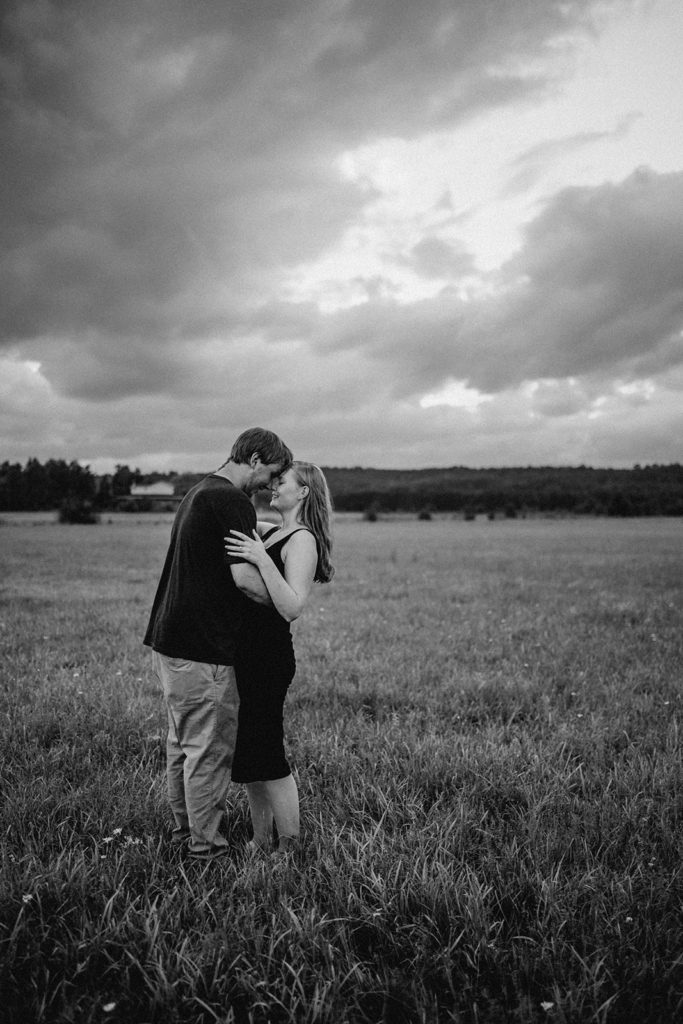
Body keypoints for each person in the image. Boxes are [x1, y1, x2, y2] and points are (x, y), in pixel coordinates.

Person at [144, 427, 292, 860]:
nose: (271, 484)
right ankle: (206, 850)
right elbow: (244, 579)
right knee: (207, 752)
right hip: (202, 646)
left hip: (170, 640)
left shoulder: (200, 492)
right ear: (255, 459)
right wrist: (286, 603)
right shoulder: (232, 500)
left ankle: (184, 835)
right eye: (273, 472)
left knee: (183, 747)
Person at [224, 461, 334, 856]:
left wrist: (262, 557)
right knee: (251, 754)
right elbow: (235, 518)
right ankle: (259, 839)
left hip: (269, 658)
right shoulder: (272, 531)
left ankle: (289, 846)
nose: (273, 486)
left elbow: (292, 606)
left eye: (281, 481)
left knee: (268, 752)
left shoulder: (302, 540)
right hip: (247, 654)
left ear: (303, 491)